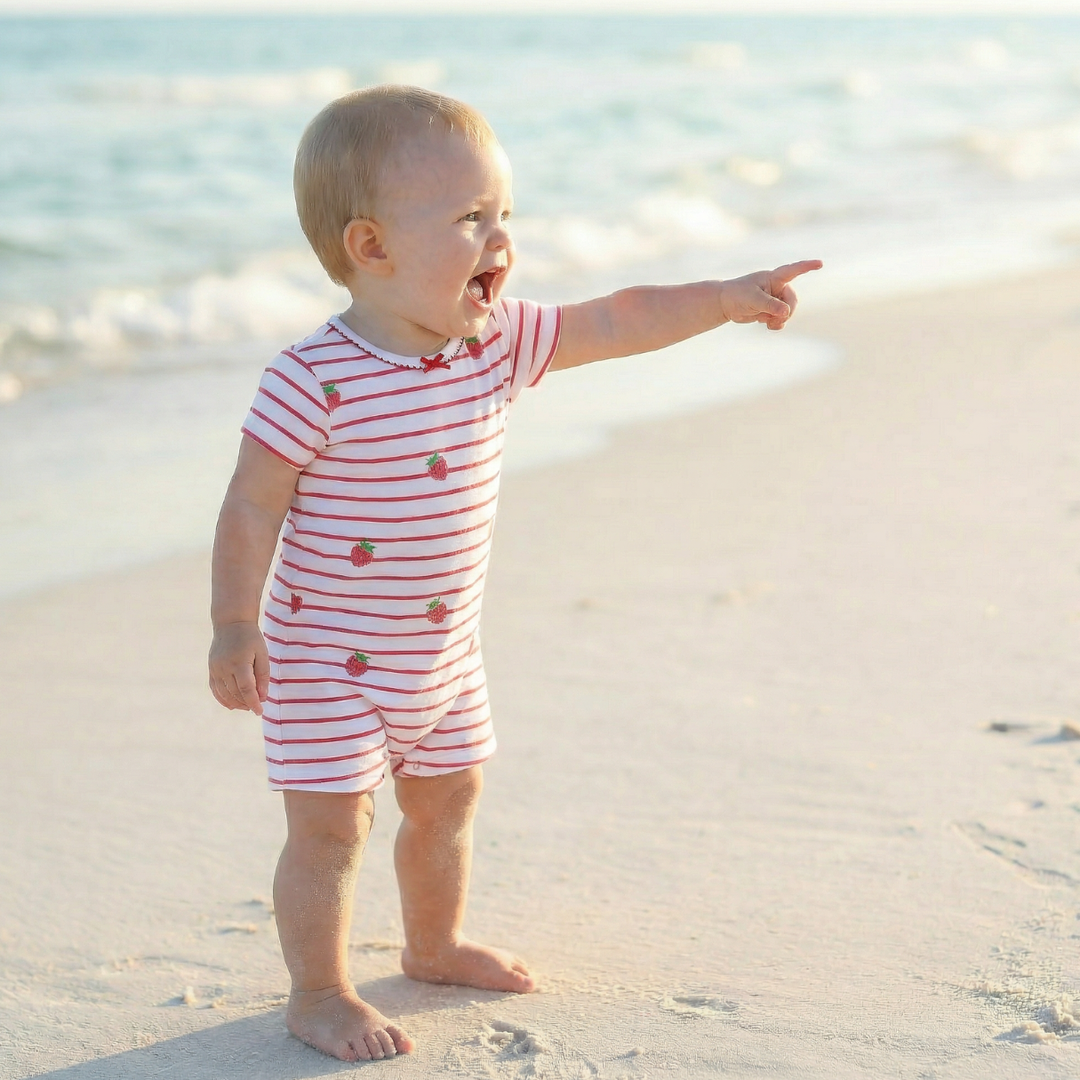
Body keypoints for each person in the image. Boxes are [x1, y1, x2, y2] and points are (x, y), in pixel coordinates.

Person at [208, 84, 820, 1063]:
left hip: (444, 655)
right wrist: (236, 626)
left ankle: (434, 943)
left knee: (448, 799)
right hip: (328, 658)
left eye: (505, 216)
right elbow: (250, 503)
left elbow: (616, 319)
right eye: (469, 219)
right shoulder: (312, 377)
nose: (500, 240)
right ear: (372, 248)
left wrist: (723, 299)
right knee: (331, 832)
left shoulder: (494, 344)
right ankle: (318, 991)